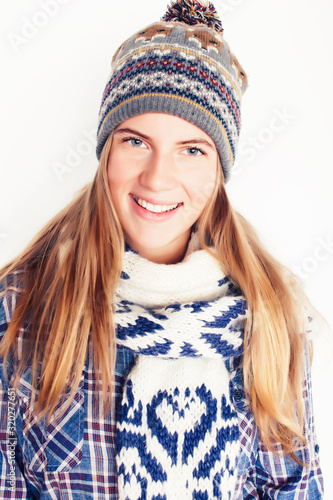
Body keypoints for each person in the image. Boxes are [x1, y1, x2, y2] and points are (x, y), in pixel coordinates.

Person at [0, 0, 324, 498]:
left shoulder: (270, 316)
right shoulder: (20, 305)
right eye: (136, 141)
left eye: (192, 150)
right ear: (106, 149)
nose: (157, 178)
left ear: (219, 171)